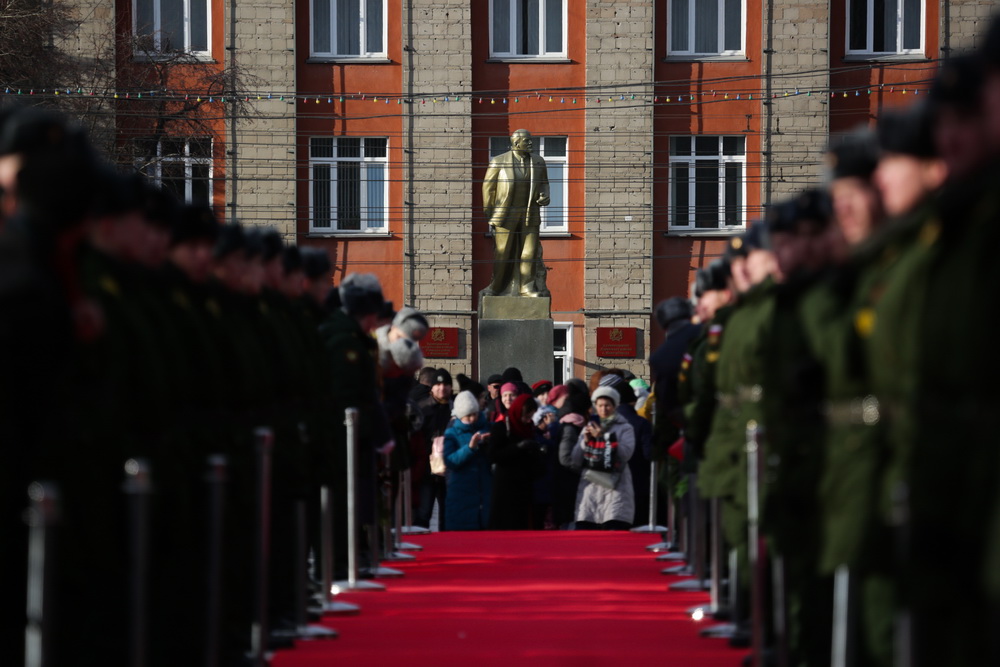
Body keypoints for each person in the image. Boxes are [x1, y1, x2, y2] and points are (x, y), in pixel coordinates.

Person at [480, 129, 550, 297]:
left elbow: (544, 184)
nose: (531, 143)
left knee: (529, 253)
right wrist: (490, 214)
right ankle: (496, 287)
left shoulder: (538, 162)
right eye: (527, 141)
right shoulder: (499, 161)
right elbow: (488, 189)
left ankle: (527, 287)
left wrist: (545, 197)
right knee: (503, 253)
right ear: (516, 143)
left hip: (530, 213)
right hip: (505, 214)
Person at [569, 386, 635, 530]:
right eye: (600, 405)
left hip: (616, 490)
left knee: (613, 542)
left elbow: (626, 454)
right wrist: (584, 442)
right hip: (591, 491)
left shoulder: (625, 428)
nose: (603, 409)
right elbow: (575, 460)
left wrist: (603, 438)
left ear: (614, 406)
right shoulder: (589, 427)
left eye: (607, 405)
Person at [488, 393, 547, 529]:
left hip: (524, 487)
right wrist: (517, 447)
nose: (527, 420)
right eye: (526, 416)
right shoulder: (502, 427)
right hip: (505, 487)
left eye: (530, 417)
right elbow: (493, 455)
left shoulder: (529, 428)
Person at [443, 391, 492, 530]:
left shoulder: (486, 427)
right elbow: (450, 461)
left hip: (484, 489)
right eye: (467, 416)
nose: (472, 419)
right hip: (461, 490)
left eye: (474, 414)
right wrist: (470, 448)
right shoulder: (452, 433)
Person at [415, 368, 453, 529]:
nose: (442, 388)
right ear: (432, 387)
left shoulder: (455, 408)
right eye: (438, 384)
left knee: (448, 513)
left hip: (450, 468)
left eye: (445, 384)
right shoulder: (422, 408)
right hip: (426, 469)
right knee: (423, 513)